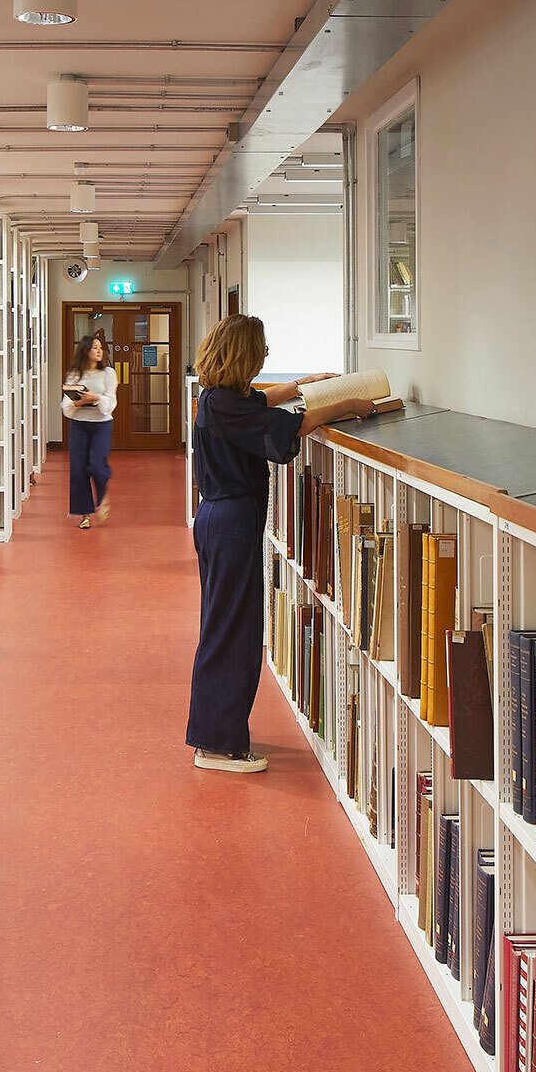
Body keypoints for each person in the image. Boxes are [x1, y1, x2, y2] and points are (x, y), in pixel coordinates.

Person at [186, 315, 373, 773]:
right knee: (233, 632)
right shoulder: (226, 405)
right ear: (244, 355)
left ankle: (216, 734)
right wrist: (346, 404)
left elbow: (262, 401)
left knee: (227, 626)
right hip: (230, 523)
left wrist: (302, 383)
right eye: (262, 350)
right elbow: (290, 427)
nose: (265, 356)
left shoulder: (217, 397)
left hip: (221, 519)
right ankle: (218, 746)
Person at [61, 332, 118, 530]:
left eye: (101, 348)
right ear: (85, 350)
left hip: (101, 425)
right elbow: (66, 406)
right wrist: (79, 403)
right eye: (95, 347)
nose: (99, 351)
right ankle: (84, 514)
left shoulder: (108, 373)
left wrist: (96, 398)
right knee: (78, 471)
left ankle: (102, 496)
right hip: (78, 425)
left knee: (97, 465)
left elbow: (111, 403)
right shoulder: (74, 374)